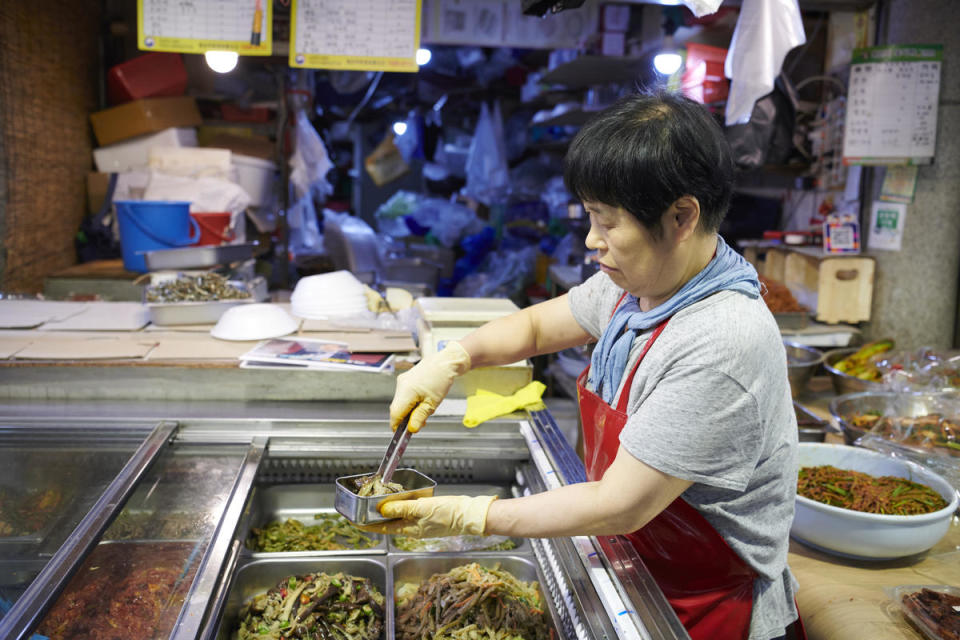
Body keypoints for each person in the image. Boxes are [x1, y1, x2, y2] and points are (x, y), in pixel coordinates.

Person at [362, 92, 804, 640]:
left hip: (702, 606)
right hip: (637, 564)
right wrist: (453, 358)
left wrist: (471, 516)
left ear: (681, 216)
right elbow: (535, 328)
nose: (592, 240)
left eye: (607, 220)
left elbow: (617, 506)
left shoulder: (721, 342)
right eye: (591, 215)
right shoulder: (641, 286)